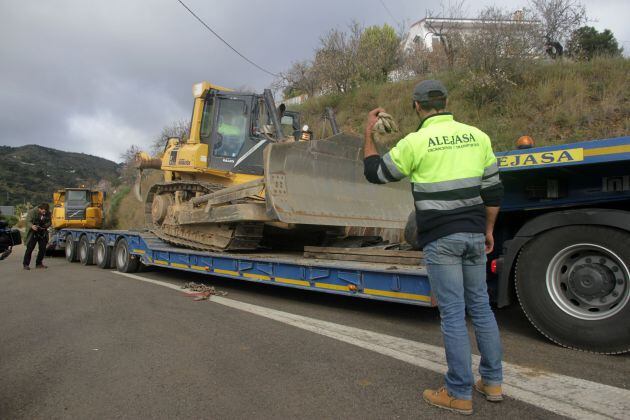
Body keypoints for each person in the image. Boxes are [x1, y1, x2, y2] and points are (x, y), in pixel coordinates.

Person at [363, 80, 504, 415]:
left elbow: (376, 173)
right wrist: (487, 230)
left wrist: (369, 133)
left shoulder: (415, 142)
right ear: (446, 102)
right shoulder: (477, 136)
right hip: (473, 233)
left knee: (454, 314)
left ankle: (459, 392)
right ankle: (493, 382)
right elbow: (494, 192)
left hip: (441, 238)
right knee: (481, 309)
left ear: (417, 106)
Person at [22, 203, 52, 270]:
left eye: (46, 211)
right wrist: (32, 226)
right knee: (30, 249)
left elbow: (50, 221)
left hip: (42, 232)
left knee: (43, 249)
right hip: (33, 232)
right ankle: (25, 264)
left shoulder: (48, 213)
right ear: (40, 209)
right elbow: (28, 221)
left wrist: (45, 226)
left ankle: (39, 263)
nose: (44, 212)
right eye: (43, 211)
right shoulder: (32, 212)